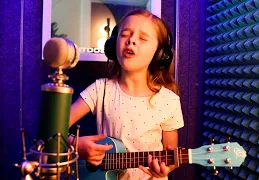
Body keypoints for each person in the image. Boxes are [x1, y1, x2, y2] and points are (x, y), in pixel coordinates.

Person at [68, 9, 184, 180]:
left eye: (143, 38)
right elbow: (53, 127)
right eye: (125, 34)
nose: (131, 40)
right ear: (113, 44)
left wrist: (165, 168)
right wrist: (75, 144)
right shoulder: (100, 90)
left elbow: (171, 157)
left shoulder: (169, 101)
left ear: (160, 55)